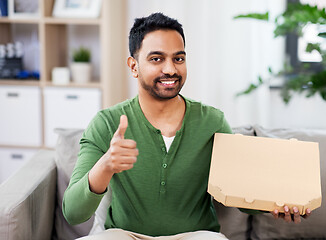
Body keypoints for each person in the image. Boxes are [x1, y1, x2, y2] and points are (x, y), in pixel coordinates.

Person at [62, 12, 311, 240]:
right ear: (134, 66)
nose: (170, 69)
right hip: (125, 235)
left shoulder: (212, 121)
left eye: (178, 58)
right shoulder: (106, 123)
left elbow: (241, 191)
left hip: (196, 236)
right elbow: (73, 213)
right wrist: (105, 166)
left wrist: (277, 203)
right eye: (157, 59)